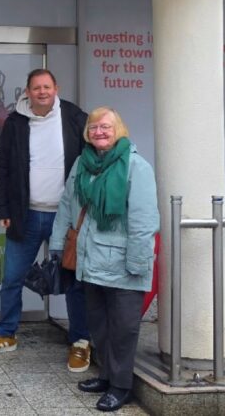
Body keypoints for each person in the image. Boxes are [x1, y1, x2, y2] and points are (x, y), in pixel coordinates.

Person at [0, 68, 92, 373]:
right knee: (12, 277)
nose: (42, 92)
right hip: (24, 215)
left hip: (64, 218)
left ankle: (81, 342)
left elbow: (92, 160)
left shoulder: (74, 117)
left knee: (74, 281)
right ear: (27, 91)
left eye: (47, 86)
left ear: (56, 88)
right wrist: (3, 209)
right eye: (36, 88)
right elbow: (2, 167)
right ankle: (5, 334)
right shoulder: (15, 122)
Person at [50, 106, 159, 412]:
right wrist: (58, 245)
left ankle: (121, 386)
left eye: (106, 127)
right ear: (88, 133)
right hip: (89, 261)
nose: (99, 132)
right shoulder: (82, 165)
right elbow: (67, 205)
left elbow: (144, 221)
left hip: (124, 264)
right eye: (94, 127)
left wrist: (138, 264)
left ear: (119, 130)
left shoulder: (136, 167)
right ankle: (106, 375)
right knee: (98, 325)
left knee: (123, 329)